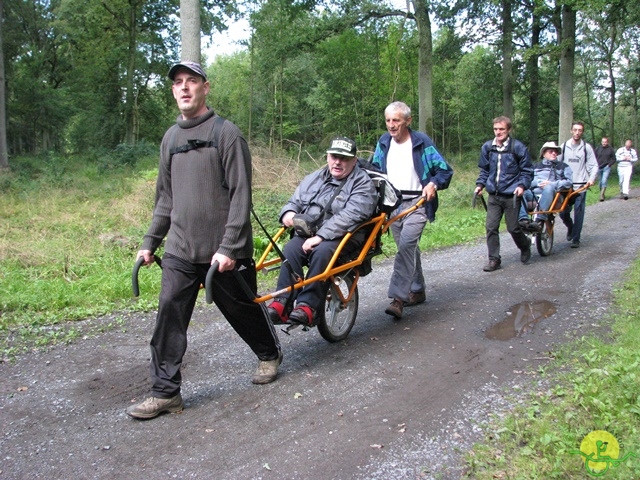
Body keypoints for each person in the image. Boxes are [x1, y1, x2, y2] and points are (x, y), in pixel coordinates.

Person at [126, 61, 282, 420]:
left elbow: (241, 196)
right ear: (173, 91)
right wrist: (151, 241)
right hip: (180, 248)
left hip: (222, 252)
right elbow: (165, 198)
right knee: (169, 312)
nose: (184, 88)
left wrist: (229, 247)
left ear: (205, 88)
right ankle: (165, 392)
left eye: (191, 81)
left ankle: (269, 353)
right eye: (178, 83)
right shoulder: (170, 138)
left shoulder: (227, 133)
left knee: (242, 309)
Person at [267, 136, 377, 326]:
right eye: (334, 156)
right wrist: (289, 212)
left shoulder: (362, 183)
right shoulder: (315, 177)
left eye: (344, 158)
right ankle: (282, 302)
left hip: (345, 235)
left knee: (322, 252)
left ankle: (308, 307)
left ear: (354, 160)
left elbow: (351, 215)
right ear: (327, 157)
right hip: (311, 232)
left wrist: (320, 236)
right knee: (291, 249)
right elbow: (296, 200)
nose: (337, 162)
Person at [370, 101, 453, 319]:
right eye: (388, 120)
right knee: (408, 248)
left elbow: (444, 171)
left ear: (408, 120)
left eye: (396, 120)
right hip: (393, 205)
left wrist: (432, 184)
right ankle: (418, 289)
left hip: (417, 204)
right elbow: (375, 170)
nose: (391, 125)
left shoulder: (421, 142)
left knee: (406, 245)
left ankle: (398, 298)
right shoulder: (384, 142)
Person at [475, 116, 533, 271]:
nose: (498, 132)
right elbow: (485, 170)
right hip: (494, 195)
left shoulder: (518, 147)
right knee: (491, 227)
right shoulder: (488, 147)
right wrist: (480, 185)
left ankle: (525, 245)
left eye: (501, 129)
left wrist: (521, 186)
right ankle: (494, 260)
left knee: (513, 228)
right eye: (496, 129)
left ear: (509, 130)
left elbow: (527, 172)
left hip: (511, 196)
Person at [558, 121, 598, 248]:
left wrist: (591, 179)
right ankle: (570, 226)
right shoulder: (563, 147)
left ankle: (576, 238)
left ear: (582, 132)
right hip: (566, 185)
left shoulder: (586, 148)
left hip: (581, 185)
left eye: (580, 130)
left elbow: (594, 165)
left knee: (579, 212)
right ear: (571, 131)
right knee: (563, 212)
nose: (577, 132)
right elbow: (557, 165)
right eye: (575, 130)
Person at [518, 141, 573, 231]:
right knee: (520, 190)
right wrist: (538, 182)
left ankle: (540, 219)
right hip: (535, 194)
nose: (554, 153)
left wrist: (551, 184)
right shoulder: (535, 167)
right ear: (543, 153)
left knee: (548, 187)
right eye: (551, 151)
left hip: (555, 195)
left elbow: (568, 182)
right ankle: (523, 220)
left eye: (555, 151)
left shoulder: (563, 166)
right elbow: (527, 180)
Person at [595, 137, 616, 201]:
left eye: (605, 142)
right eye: (603, 142)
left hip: (606, 167)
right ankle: (602, 193)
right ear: (601, 142)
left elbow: (614, 159)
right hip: (599, 167)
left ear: (607, 142)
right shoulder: (598, 148)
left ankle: (601, 195)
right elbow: (594, 157)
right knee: (600, 182)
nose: (604, 143)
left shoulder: (610, 149)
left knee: (604, 181)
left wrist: (609, 165)